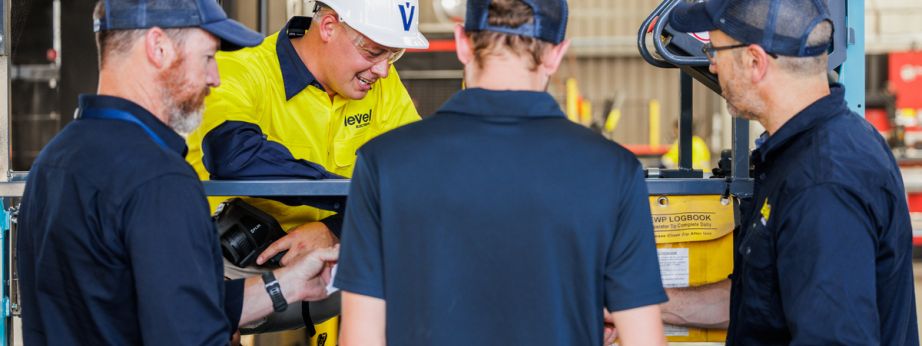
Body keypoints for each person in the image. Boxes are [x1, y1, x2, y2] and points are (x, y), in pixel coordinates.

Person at [335, 0, 668, 345]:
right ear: (556, 54)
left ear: (462, 43)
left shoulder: (383, 163)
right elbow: (644, 338)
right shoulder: (613, 171)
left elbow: (360, 337)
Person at [16, 1, 339, 344]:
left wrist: (285, 284)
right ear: (158, 47)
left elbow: (137, 307)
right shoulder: (158, 179)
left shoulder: (56, 159)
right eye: (208, 58)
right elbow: (189, 335)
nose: (214, 79)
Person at [660, 0, 919, 344]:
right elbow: (763, 301)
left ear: (754, 61)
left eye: (714, 50)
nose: (712, 65)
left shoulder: (823, 184)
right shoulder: (807, 152)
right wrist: (641, 304)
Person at [183, 0, 427, 337]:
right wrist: (348, 200)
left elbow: (419, 180)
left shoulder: (382, 84)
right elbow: (233, 153)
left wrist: (336, 227)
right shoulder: (239, 69)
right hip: (230, 274)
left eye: (393, 55)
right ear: (328, 27)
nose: (383, 71)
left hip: (329, 277)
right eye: (374, 52)